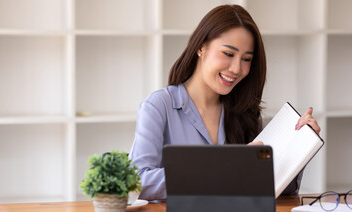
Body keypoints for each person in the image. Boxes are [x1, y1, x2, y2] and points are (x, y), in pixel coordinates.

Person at [129, 4, 321, 201]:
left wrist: (301, 145)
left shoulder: (245, 113)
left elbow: (277, 188)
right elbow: (137, 181)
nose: (237, 69)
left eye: (246, 59)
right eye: (228, 54)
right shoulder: (160, 106)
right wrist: (224, 169)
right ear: (201, 47)